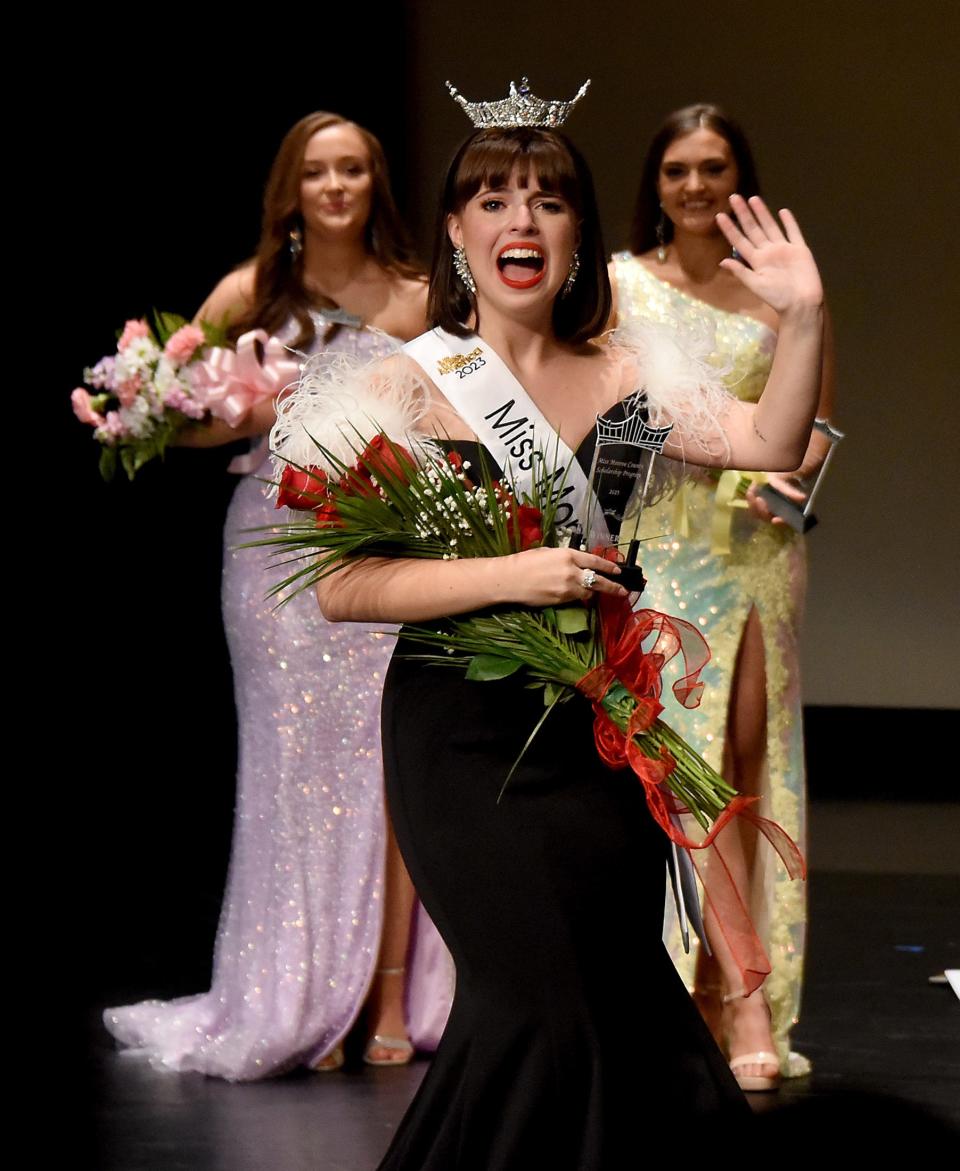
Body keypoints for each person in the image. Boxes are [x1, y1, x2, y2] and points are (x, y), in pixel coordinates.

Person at [279, 82, 825, 1165]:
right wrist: (506, 575)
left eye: (547, 200)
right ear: (453, 229)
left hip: (594, 733)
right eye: (491, 198)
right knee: (536, 1000)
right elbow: (342, 586)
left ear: (579, 233)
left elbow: (771, 437)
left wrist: (805, 315)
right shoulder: (404, 386)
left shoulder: (633, 381)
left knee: (622, 997)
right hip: (459, 740)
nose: (519, 220)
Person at [103, 111, 454, 1080]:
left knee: (387, 769)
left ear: (376, 184)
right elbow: (169, 419)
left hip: (379, 536)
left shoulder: (419, 295)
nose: (335, 186)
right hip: (270, 542)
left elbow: (460, 414)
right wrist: (242, 412)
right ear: (291, 190)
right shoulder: (251, 291)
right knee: (290, 767)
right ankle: (294, 996)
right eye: (317, 172)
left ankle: (385, 994)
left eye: (352, 170)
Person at [609, 103, 836, 1090]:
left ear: (740, 176)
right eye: (677, 170)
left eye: (713, 167)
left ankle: (739, 989)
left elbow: (820, 422)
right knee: (677, 776)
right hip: (665, 547)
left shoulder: (778, 290)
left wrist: (785, 471)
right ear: (654, 182)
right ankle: (686, 994)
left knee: (749, 770)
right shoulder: (619, 286)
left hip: (754, 548)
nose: (695, 186)